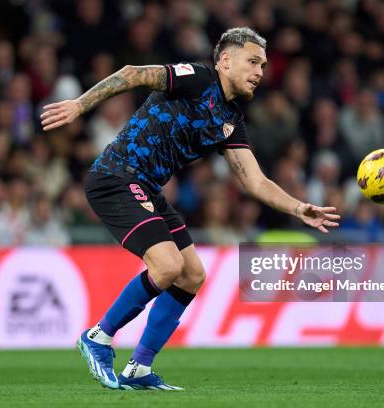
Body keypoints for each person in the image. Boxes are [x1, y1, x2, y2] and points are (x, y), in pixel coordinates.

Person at [40, 27, 340, 391]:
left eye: (262, 64)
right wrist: (79, 105)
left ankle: (138, 369)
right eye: (253, 61)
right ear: (225, 61)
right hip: (115, 177)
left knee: (192, 274)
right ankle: (99, 337)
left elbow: (255, 181)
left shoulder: (230, 120)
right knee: (167, 266)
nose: (260, 71)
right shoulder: (197, 78)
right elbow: (132, 73)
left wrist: (298, 208)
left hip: (146, 187)